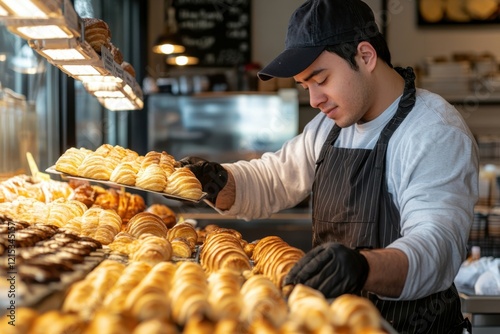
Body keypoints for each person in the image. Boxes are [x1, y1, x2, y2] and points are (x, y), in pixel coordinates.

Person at [181, 0, 478, 332]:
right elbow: (275, 178)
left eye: (320, 79)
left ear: (365, 56)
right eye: (305, 86)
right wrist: (216, 180)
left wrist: (363, 266)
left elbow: (437, 248)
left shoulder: (433, 133)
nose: (313, 99)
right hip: (335, 323)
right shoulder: (330, 128)